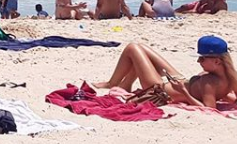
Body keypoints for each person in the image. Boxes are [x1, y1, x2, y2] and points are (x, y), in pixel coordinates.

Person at [93, 36, 237, 108]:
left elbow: (209, 109)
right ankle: (125, 85)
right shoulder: (232, 78)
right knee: (141, 47)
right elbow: (228, 96)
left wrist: (185, 93)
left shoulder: (209, 82)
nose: (198, 62)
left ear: (217, 61)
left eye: (202, 59)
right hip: (181, 80)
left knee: (132, 48)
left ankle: (112, 83)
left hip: (160, 90)